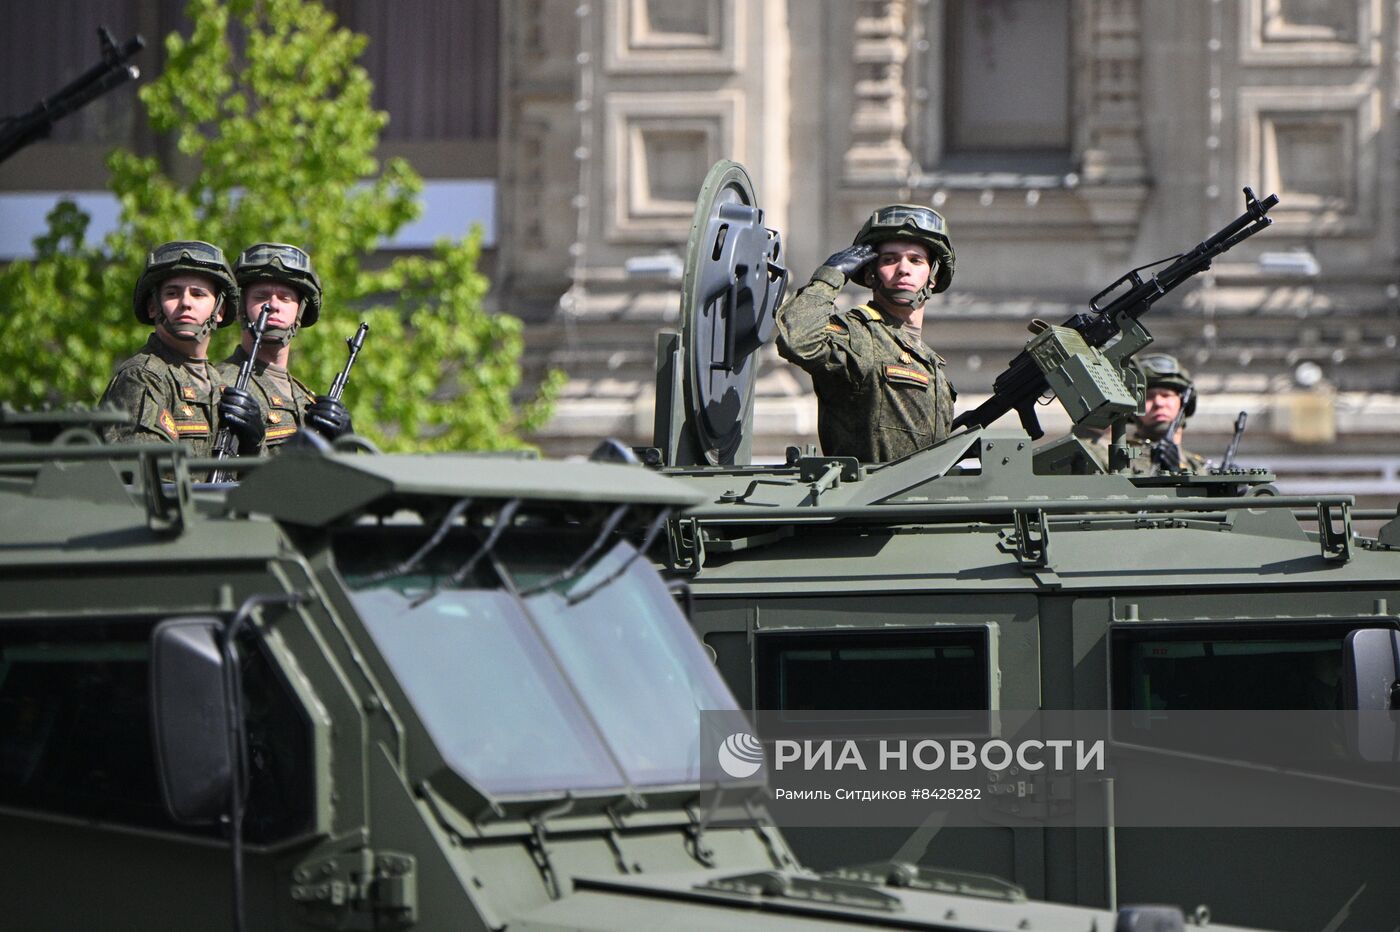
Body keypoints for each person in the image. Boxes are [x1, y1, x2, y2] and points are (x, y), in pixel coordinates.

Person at [775, 204, 957, 462]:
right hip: (869, 496)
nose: (903, 268)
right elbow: (799, 341)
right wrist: (830, 277)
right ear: (871, 275)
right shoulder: (858, 334)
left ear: (933, 278)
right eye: (890, 259)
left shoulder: (931, 363)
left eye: (916, 260)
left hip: (921, 499)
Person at [100, 241, 265, 461]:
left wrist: (253, 446)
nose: (185, 302)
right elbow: (152, 479)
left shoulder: (219, 384)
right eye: (172, 293)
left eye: (198, 294)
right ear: (152, 307)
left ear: (220, 311)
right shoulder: (143, 378)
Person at [218, 243, 352, 450]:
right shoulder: (220, 386)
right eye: (260, 296)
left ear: (300, 311)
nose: (274, 305)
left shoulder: (304, 398)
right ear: (240, 307)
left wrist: (345, 446)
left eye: (285, 298)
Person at [1132, 353, 1207, 474]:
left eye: (1166, 395)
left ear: (1184, 402)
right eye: (1149, 397)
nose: (1159, 403)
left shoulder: (1197, 466)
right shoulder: (1121, 461)